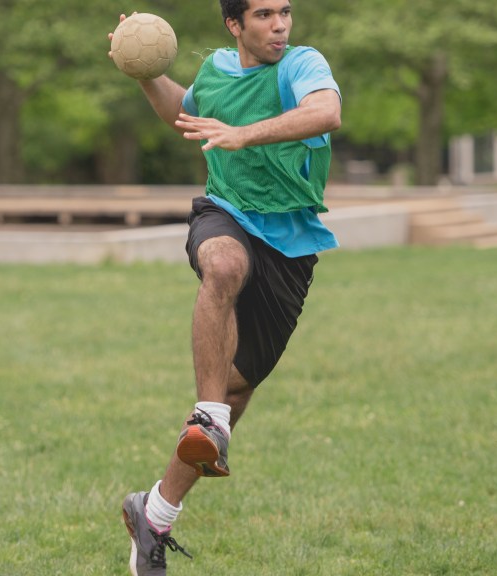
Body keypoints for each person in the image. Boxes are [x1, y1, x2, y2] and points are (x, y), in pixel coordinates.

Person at [109, 0, 342, 573]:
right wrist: (146, 75)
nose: (280, 25)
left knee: (241, 388)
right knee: (222, 268)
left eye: (285, 12)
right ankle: (207, 413)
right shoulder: (215, 70)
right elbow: (183, 113)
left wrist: (245, 134)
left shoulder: (301, 65)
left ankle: (154, 513)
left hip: (291, 244)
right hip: (227, 215)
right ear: (234, 25)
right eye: (263, 15)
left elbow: (326, 113)